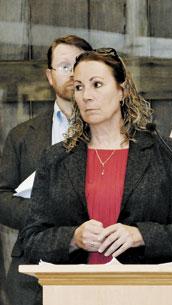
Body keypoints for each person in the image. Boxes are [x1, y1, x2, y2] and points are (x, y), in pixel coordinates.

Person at [20, 48, 172, 270]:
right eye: (79, 87)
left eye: (96, 84)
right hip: (75, 294)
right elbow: (31, 239)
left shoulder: (165, 152)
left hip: (145, 292)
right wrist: (73, 238)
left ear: (122, 90)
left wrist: (140, 235)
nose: (86, 95)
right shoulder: (56, 158)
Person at [0, 35, 92, 305]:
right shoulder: (22, 135)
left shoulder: (112, 132)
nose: (73, 73)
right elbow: (1, 196)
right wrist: (45, 212)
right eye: (64, 66)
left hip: (96, 266)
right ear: (49, 76)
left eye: (80, 64)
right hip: (32, 272)